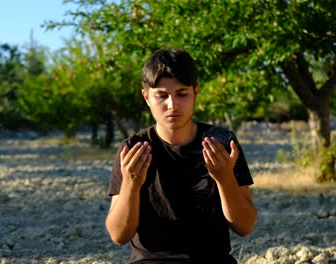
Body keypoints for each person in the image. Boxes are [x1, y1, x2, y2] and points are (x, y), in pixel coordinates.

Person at [106, 48, 257, 263]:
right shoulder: (133, 149)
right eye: (161, 95)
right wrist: (131, 183)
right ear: (146, 97)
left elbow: (245, 226)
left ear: (196, 91)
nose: (172, 105)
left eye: (182, 94)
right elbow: (118, 235)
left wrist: (225, 179)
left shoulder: (221, 143)